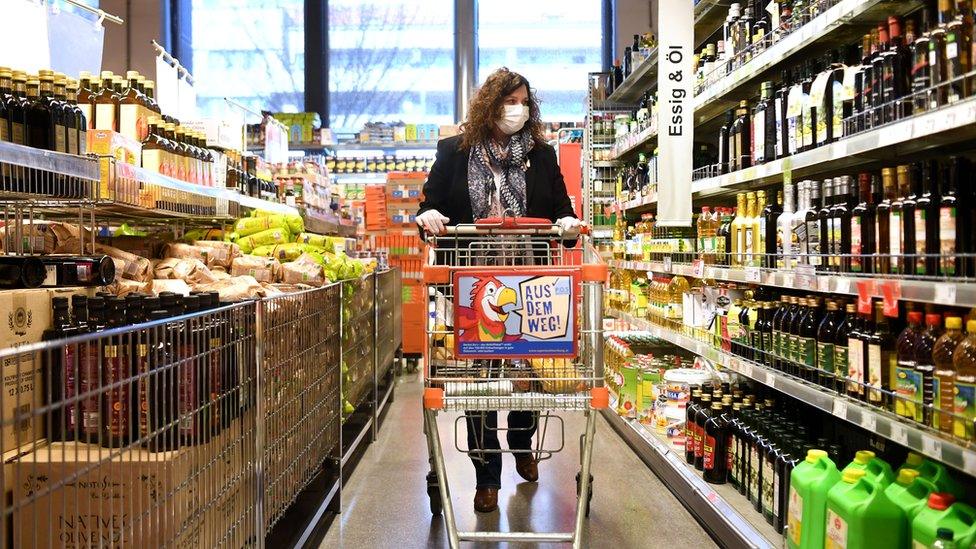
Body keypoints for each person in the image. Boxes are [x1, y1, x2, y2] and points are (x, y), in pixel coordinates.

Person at [416, 67, 580, 513]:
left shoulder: (542, 156)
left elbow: (563, 211)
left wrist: (567, 225)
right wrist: (427, 216)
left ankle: (523, 443)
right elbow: (429, 203)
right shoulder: (453, 152)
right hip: (472, 286)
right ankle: (485, 474)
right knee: (481, 380)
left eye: (524, 102)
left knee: (525, 369)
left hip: (530, 286)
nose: (518, 110)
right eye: (511, 102)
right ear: (490, 105)